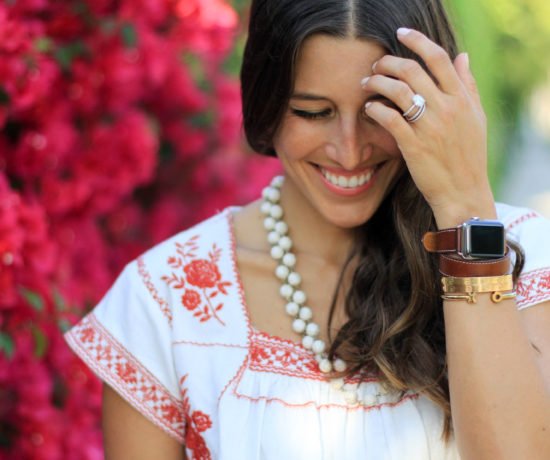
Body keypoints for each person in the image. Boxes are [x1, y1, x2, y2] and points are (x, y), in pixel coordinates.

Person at [64, 0, 550, 458]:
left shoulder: (524, 254)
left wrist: (463, 205)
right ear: (267, 102)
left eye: (377, 112)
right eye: (312, 113)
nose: (349, 150)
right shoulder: (162, 301)